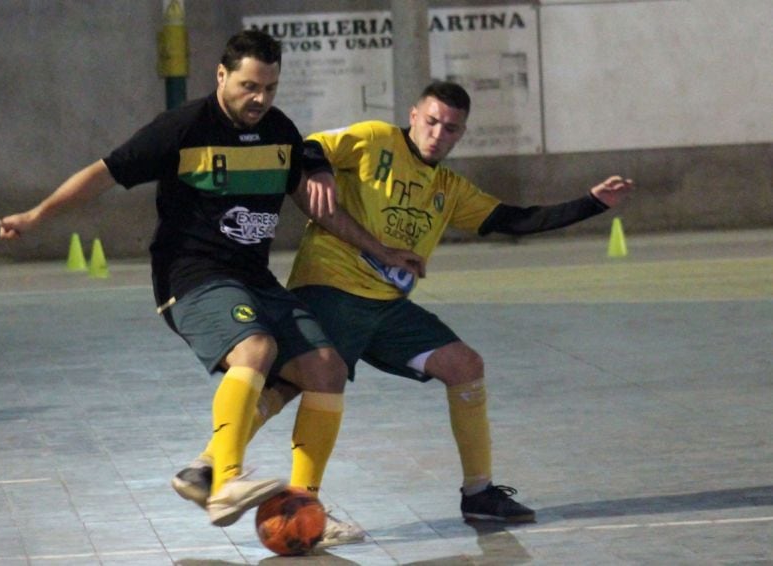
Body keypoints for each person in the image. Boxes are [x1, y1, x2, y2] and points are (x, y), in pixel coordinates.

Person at [0, 30, 421, 531]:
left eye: (269, 87)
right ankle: (224, 485)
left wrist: (379, 248)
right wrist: (36, 215)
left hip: (253, 278)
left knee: (325, 368)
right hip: (191, 274)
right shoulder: (182, 128)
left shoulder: (280, 132)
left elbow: (316, 206)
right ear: (221, 76)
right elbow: (102, 173)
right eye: (248, 86)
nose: (259, 99)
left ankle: (302, 506)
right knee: (256, 349)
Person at [196, 80, 633, 529]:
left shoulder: (449, 188)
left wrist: (592, 203)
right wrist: (323, 173)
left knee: (465, 365)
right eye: (432, 121)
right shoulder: (373, 141)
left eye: (451, 128)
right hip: (331, 288)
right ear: (413, 115)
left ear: (461, 134)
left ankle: (479, 493)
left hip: (387, 309)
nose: (438, 133)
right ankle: (236, 474)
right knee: (295, 384)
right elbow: (309, 147)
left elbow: (514, 219)